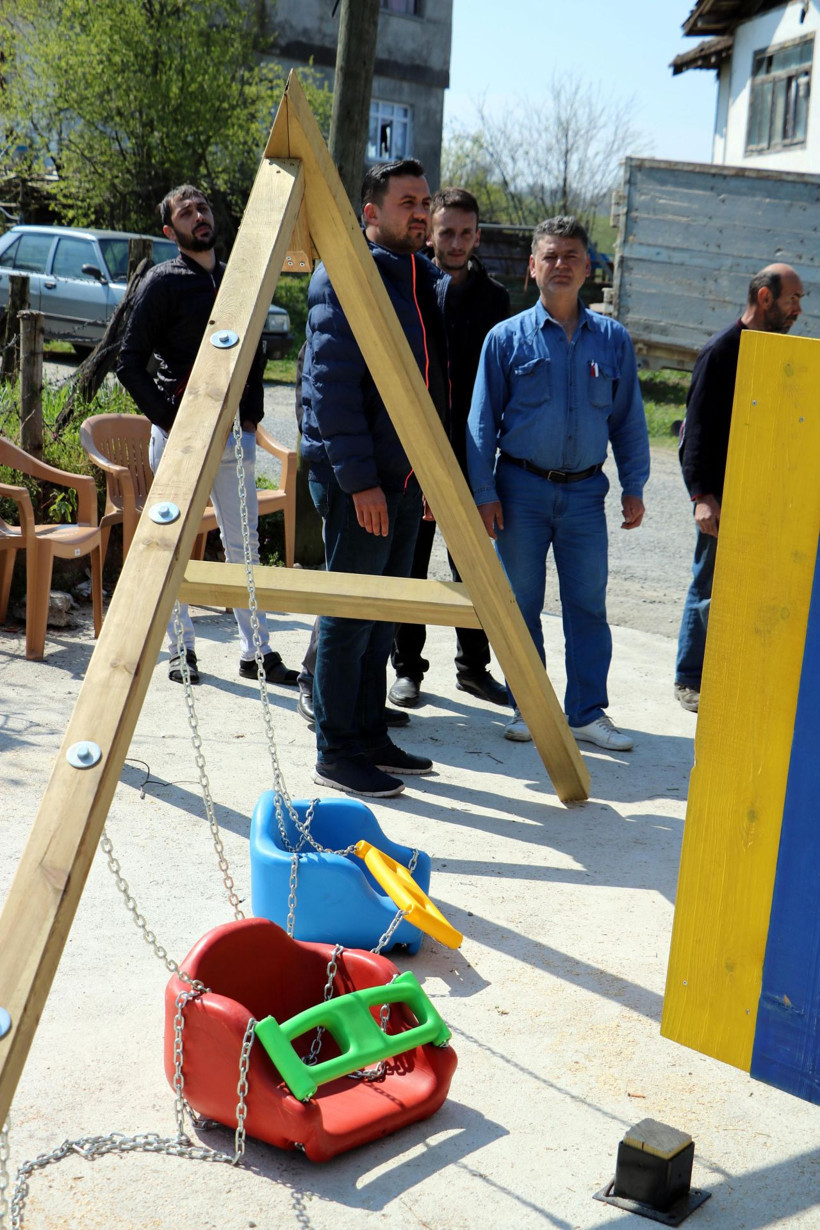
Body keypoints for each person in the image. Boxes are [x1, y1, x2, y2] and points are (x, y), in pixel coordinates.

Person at [467, 215, 649, 750]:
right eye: (550, 256)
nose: (561, 265)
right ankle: (530, 707)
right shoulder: (505, 339)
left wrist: (634, 484)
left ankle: (587, 713)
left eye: (572, 255)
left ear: (588, 267)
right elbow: (481, 423)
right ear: (532, 267)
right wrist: (484, 493)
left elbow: (630, 422)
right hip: (520, 490)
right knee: (520, 604)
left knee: (588, 604)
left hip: (586, 495)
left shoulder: (612, 341)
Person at [300, 158, 450, 798]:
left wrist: (429, 476)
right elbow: (330, 391)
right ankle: (336, 748)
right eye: (406, 202)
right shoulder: (348, 276)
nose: (420, 212)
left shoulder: (418, 275)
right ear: (370, 213)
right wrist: (360, 482)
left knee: (383, 613)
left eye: (425, 201)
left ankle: (368, 733)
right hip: (358, 478)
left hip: (404, 477)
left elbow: (428, 387)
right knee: (350, 611)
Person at [117, 183, 298, 687]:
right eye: (185, 212)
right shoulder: (162, 282)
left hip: (235, 440)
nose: (198, 216)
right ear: (169, 230)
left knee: (245, 548)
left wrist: (251, 418)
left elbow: (255, 354)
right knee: (172, 547)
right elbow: (128, 364)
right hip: (180, 443)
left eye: (202, 208)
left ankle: (256, 653)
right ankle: (181, 652)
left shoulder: (237, 281)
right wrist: (171, 425)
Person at [388, 187, 510, 710]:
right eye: (446, 233)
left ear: (477, 235)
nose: (455, 243)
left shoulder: (496, 299)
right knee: (411, 566)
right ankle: (408, 670)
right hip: (416, 450)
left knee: (473, 567)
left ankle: (473, 668)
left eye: (465, 233)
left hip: (473, 451)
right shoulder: (412, 284)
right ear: (430, 233)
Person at [674, 263, 804, 713]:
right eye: (793, 299)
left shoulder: (779, 356)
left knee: (752, 588)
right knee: (708, 586)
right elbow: (695, 434)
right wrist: (702, 497)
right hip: (722, 498)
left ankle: (733, 673)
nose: (799, 310)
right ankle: (689, 678)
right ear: (765, 298)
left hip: (764, 495)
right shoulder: (721, 352)